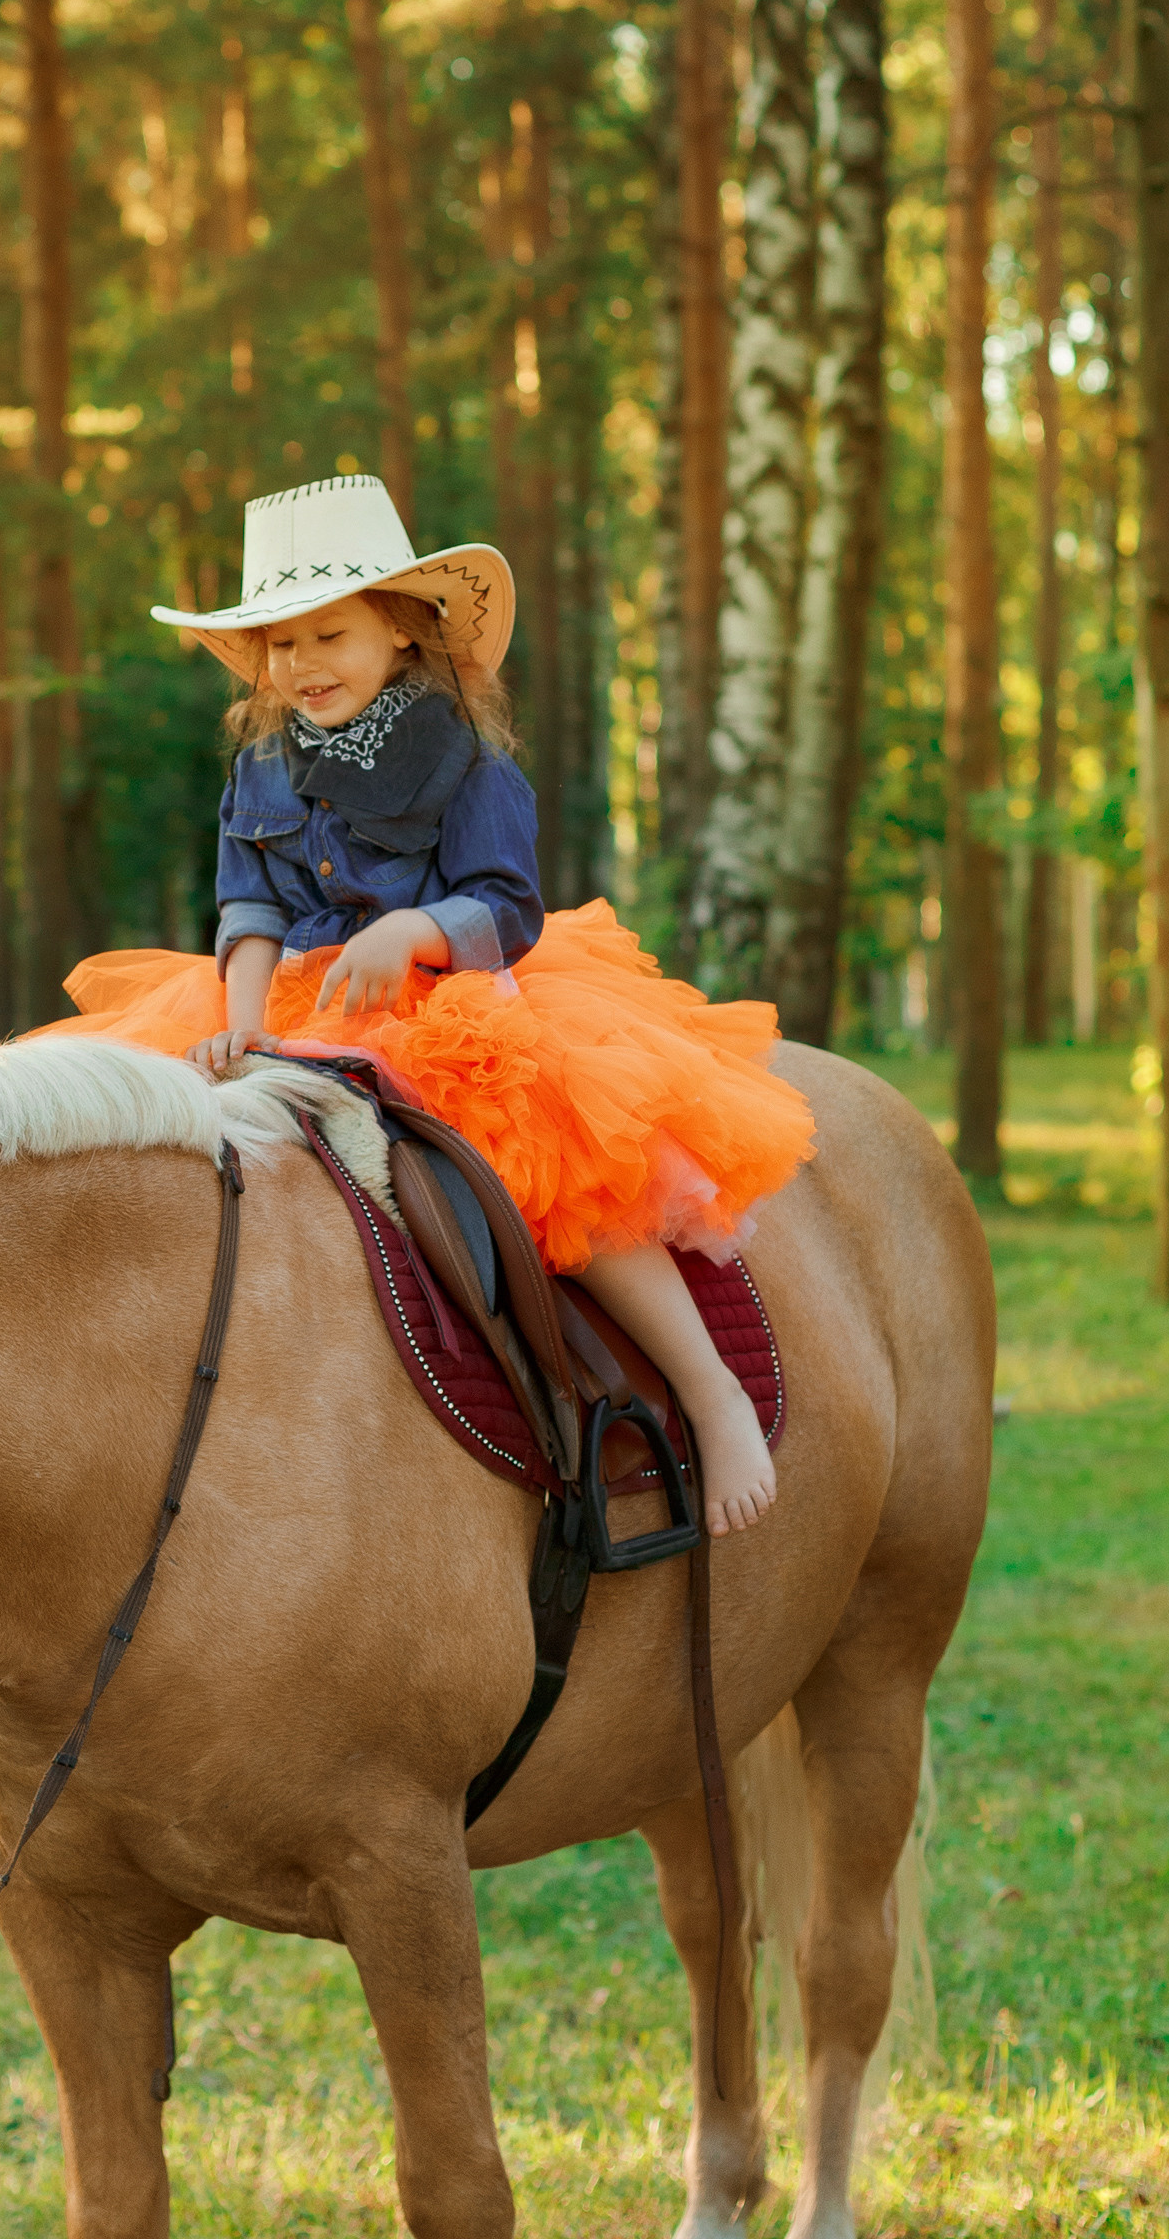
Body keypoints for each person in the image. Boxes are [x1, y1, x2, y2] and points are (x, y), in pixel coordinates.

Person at [44, 475, 815, 1534]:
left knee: (551, 1163)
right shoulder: (261, 765)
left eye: (329, 633)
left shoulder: (464, 757)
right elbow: (248, 902)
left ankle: (707, 1390)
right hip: (301, 1000)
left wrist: (415, 928)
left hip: (454, 998)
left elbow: (508, 903)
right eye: (280, 643)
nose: (301, 663)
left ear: (401, 632)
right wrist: (244, 1010)